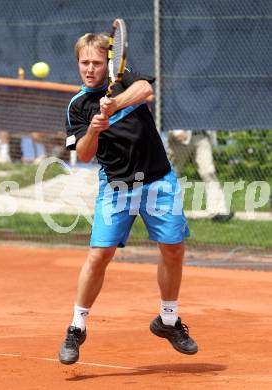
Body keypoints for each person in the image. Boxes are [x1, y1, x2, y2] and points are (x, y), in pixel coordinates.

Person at [58, 33, 198, 365]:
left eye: (96, 62)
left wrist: (115, 103)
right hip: (117, 187)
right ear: (78, 64)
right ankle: (76, 328)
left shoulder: (124, 76)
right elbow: (85, 154)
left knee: (174, 249)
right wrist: (95, 127)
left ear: (109, 63)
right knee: (99, 255)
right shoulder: (76, 106)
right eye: (84, 63)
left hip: (158, 179)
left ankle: (167, 320)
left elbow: (147, 90)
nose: (90, 69)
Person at [167, 129, 234, 222]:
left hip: (202, 136)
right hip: (180, 136)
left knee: (208, 173)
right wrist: (176, 131)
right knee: (172, 174)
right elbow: (168, 114)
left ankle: (218, 212)